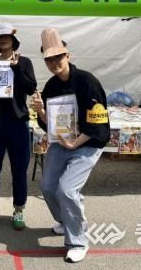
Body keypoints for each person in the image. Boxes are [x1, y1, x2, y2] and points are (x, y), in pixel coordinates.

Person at [33, 28, 110, 264]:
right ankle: (67, 220)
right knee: (48, 187)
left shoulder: (88, 81)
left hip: (87, 143)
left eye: (58, 57)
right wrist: (41, 111)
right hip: (62, 142)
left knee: (67, 190)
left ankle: (78, 241)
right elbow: (50, 124)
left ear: (68, 55)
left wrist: (74, 142)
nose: (54, 63)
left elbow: (98, 122)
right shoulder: (51, 86)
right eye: (49, 59)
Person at [0, 23, 36, 230]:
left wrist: (16, 67)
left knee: (19, 169)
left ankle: (19, 209)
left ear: (13, 40)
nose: (3, 40)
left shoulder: (24, 62)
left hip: (18, 123)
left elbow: (31, 88)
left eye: (6, 37)